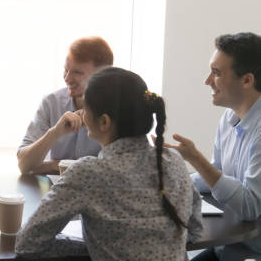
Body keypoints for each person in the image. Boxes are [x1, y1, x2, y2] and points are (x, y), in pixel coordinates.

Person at [15, 67, 202, 260]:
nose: (81, 113)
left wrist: (92, 246)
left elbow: (27, 242)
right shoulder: (174, 161)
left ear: (104, 122)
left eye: (85, 108)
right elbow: (195, 229)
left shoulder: (87, 173)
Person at [165, 32, 261, 261]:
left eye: (216, 73)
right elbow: (218, 171)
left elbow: (250, 206)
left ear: (247, 80)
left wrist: (196, 159)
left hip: (252, 253)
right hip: (228, 247)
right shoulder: (229, 117)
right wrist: (172, 182)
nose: (207, 80)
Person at [17, 36, 113, 174]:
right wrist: (55, 132)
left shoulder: (116, 111)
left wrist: (49, 165)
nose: (67, 78)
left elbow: (117, 169)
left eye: (77, 73)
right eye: (66, 70)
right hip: (54, 189)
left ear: (104, 75)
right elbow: (24, 165)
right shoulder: (51, 102)